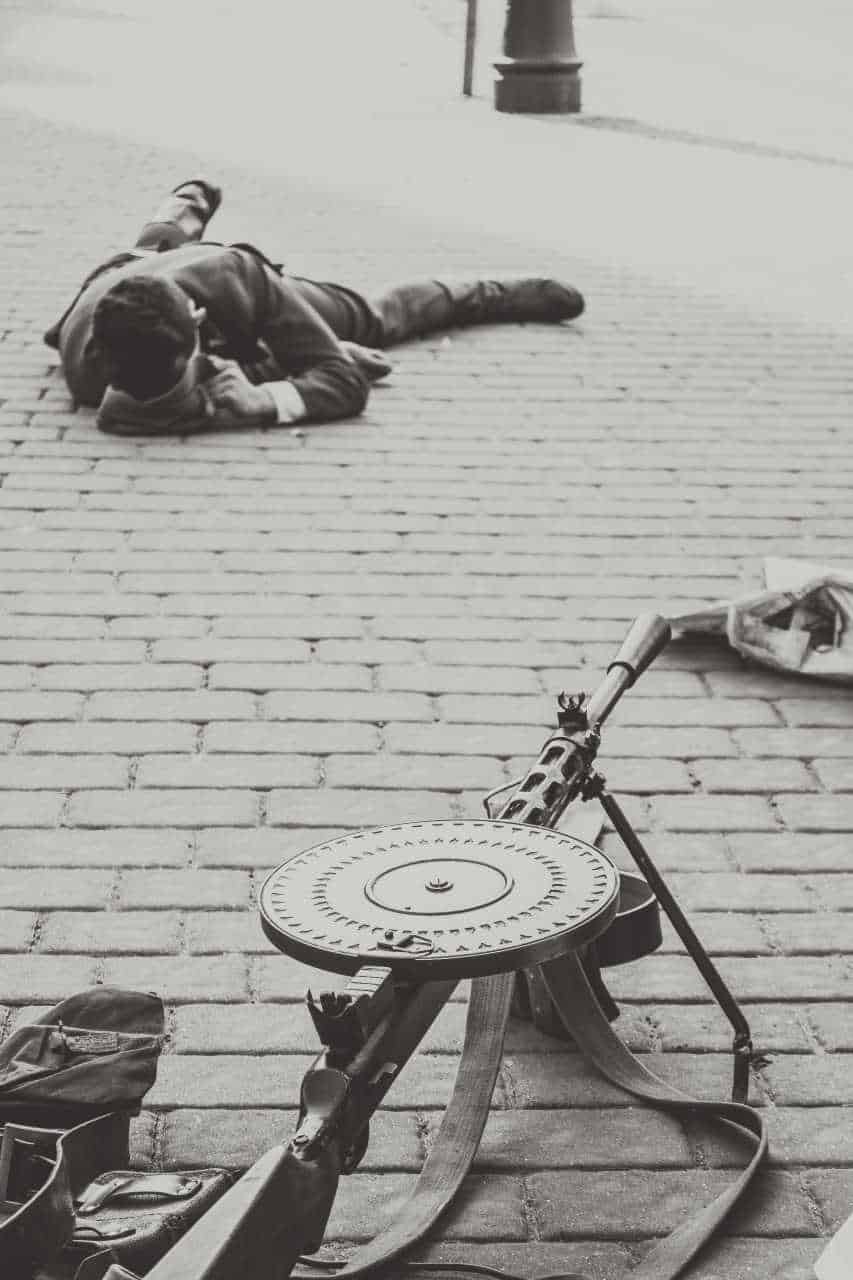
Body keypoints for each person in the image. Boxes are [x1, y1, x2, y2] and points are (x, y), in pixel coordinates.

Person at [45, 180, 585, 435]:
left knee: (375, 319)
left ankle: (491, 291)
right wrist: (269, 393)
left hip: (217, 281)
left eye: (190, 374)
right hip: (118, 279)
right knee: (152, 250)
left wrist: (285, 380)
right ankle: (177, 213)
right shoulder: (96, 369)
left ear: (197, 321)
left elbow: (346, 386)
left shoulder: (237, 277)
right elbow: (156, 406)